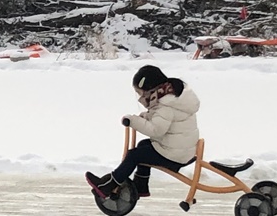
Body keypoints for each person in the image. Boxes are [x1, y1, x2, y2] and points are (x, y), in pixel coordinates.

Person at [85, 64, 200, 200]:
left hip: (174, 155)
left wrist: (133, 121)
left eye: (140, 93)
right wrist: (147, 117)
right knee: (143, 146)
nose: (139, 97)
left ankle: (108, 186)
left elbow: (156, 130)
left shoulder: (164, 105)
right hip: (182, 150)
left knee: (134, 155)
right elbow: (166, 122)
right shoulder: (173, 97)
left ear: (149, 90)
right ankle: (141, 185)